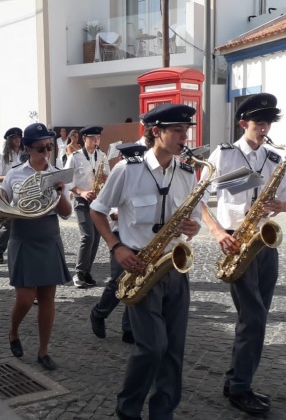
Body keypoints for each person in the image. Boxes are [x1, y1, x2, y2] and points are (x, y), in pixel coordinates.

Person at [89, 104, 201, 419]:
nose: (184, 136)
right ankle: (128, 409)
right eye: (177, 130)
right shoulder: (128, 169)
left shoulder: (188, 172)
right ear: (156, 131)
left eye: (185, 130)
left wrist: (193, 227)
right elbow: (97, 210)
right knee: (151, 347)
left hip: (175, 267)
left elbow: (192, 218)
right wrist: (116, 247)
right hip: (139, 264)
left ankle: (162, 412)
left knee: (174, 349)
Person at [199, 93, 286, 415]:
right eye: (259, 122)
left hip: (265, 243)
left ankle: (236, 380)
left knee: (255, 319)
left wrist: (281, 206)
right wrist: (217, 232)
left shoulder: (274, 159)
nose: (264, 127)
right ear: (244, 123)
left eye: (268, 122)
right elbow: (196, 197)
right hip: (235, 240)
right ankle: (240, 388)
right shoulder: (225, 154)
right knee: (253, 318)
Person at [2, 122, 72, 371]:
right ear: (28, 148)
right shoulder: (14, 174)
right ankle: (13, 331)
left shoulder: (57, 173)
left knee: (47, 298)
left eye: (49, 146)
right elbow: (2, 205)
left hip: (48, 236)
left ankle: (43, 351)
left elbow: (66, 213)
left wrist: (61, 191)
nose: (46, 152)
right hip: (22, 237)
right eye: (41, 147)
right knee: (24, 297)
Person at [89, 143, 147, 344]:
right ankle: (99, 312)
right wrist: (118, 213)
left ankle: (129, 327)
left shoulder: (146, 177)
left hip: (140, 236)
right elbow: (107, 210)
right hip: (119, 234)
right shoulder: (121, 173)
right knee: (119, 280)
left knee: (137, 280)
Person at [64, 126, 110, 288]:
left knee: (96, 237)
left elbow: (108, 177)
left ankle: (86, 272)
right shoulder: (75, 157)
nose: (96, 140)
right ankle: (78, 273)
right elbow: (67, 180)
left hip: (97, 201)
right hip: (82, 201)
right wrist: (81, 192)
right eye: (93, 138)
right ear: (85, 139)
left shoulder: (102, 155)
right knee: (88, 236)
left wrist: (106, 178)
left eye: (98, 137)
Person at [0, 127, 24, 264]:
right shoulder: (4, 157)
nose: (18, 140)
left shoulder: (25, 154)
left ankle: (21, 250)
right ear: (10, 140)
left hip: (23, 193)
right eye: (15, 137)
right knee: (7, 226)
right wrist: (11, 177)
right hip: (8, 194)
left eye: (19, 137)